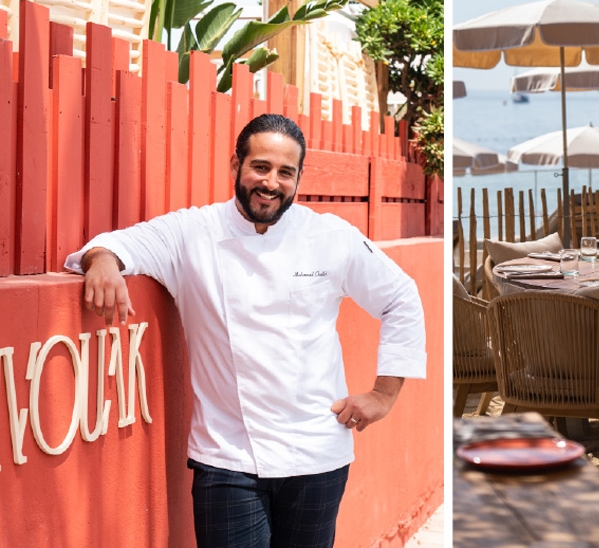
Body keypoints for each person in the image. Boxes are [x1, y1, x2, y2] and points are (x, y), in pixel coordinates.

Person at [64, 114, 427, 548]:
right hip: (227, 458)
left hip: (316, 454)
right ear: (235, 165)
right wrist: (101, 261)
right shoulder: (191, 233)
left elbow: (401, 297)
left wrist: (384, 396)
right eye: (260, 167)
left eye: (285, 172)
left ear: (298, 178)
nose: (271, 183)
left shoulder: (329, 235)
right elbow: (116, 245)